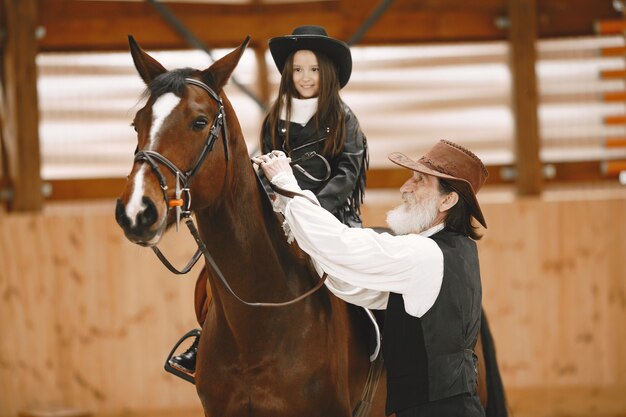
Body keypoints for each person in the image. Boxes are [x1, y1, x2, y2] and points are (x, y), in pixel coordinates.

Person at [167, 25, 368, 377]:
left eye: (314, 70)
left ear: (328, 73)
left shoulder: (344, 119)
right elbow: (264, 168)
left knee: (357, 279)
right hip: (280, 216)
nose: (305, 77)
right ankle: (205, 340)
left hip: (330, 217)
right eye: (298, 70)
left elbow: (347, 175)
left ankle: (370, 346)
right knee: (222, 272)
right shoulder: (276, 118)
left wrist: (309, 212)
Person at [253, 139, 488, 417]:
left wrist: (285, 181)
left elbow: (342, 245)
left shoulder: (424, 254)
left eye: (419, 181)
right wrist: (294, 214)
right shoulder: (457, 251)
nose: (405, 188)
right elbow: (354, 285)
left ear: (448, 200)